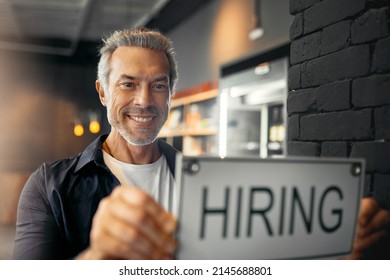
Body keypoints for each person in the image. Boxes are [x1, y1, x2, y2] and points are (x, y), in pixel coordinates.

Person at [13, 27, 390, 260]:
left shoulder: (210, 183)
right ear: (102, 92)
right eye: (128, 84)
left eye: (158, 85)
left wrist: (336, 256)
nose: (145, 100)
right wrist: (99, 258)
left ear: (170, 94)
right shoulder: (50, 187)